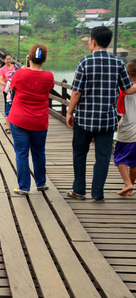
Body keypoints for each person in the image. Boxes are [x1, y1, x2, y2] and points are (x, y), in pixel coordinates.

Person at [66, 26, 136, 203]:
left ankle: (79, 191)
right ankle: (97, 194)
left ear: (93, 42)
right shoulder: (119, 63)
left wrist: (69, 112)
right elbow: (128, 90)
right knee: (102, 158)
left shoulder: (85, 62)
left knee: (79, 154)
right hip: (107, 120)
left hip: (84, 119)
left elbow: (76, 92)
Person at [7, 45, 54, 195]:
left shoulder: (19, 73)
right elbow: (48, 89)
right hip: (39, 121)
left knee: (21, 153)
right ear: (44, 59)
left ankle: (24, 187)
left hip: (19, 119)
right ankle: (40, 182)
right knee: (39, 152)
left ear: (29, 57)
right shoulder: (49, 76)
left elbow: (12, 88)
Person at [114, 59, 136, 196]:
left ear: (127, 73)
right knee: (134, 161)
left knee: (119, 158)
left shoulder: (124, 91)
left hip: (128, 129)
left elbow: (119, 113)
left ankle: (128, 184)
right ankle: (130, 188)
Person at [0, 54, 16, 133]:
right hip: (6, 90)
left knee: (14, 105)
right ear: (4, 60)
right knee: (7, 104)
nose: (9, 61)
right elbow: (0, 79)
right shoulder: (2, 69)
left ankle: (12, 120)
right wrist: (5, 84)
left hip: (14, 90)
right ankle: (8, 121)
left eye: (10, 59)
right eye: (7, 59)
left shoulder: (15, 67)